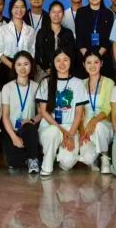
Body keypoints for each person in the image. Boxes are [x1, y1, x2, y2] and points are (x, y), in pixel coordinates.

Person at [36, 48, 89, 176]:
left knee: (67, 163)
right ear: (53, 62)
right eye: (58, 60)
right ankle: (47, 165)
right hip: (50, 126)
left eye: (65, 60)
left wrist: (70, 135)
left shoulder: (78, 83)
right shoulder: (46, 82)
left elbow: (78, 114)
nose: (62, 63)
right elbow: (44, 112)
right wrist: (62, 131)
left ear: (71, 62)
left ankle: (58, 152)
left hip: (71, 127)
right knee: (54, 132)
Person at [0, 51, 41, 173]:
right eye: (19, 64)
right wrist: (13, 137)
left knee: (29, 128)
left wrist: (32, 121)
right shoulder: (7, 87)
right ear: (14, 67)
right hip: (11, 130)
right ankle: (31, 156)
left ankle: (33, 159)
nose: (22, 68)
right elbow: (5, 116)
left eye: (26, 64)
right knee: (12, 162)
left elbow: (41, 113)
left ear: (31, 66)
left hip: (29, 130)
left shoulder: (36, 86)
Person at [78, 51, 115, 173]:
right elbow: (78, 111)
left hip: (104, 123)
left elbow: (107, 108)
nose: (92, 66)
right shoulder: (81, 84)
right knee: (87, 158)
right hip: (85, 126)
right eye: (88, 62)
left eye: (96, 62)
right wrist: (82, 131)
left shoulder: (109, 82)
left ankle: (105, 157)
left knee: (99, 127)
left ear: (101, 63)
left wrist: (94, 121)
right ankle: (93, 158)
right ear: (83, 65)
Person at [75, 0, 115, 79]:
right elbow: (79, 39)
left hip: (103, 59)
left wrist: (97, 59)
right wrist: (88, 59)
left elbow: (108, 40)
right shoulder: (80, 12)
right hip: (84, 60)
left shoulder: (108, 14)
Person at [0, 0, 36, 87]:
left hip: (25, 68)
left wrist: (24, 66)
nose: (19, 10)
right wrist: (12, 66)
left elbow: (32, 51)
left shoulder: (30, 30)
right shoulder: (3, 30)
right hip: (7, 67)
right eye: (16, 7)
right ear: (11, 9)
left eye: (22, 7)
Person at [35, 1, 76, 80]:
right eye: (53, 12)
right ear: (49, 14)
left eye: (59, 12)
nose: (56, 15)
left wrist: (63, 68)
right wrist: (46, 68)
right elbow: (38, 54)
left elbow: (72, 54)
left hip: (64, 70)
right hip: (45, 72)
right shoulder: (42, 32)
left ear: (63, 14)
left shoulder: (68, 33)